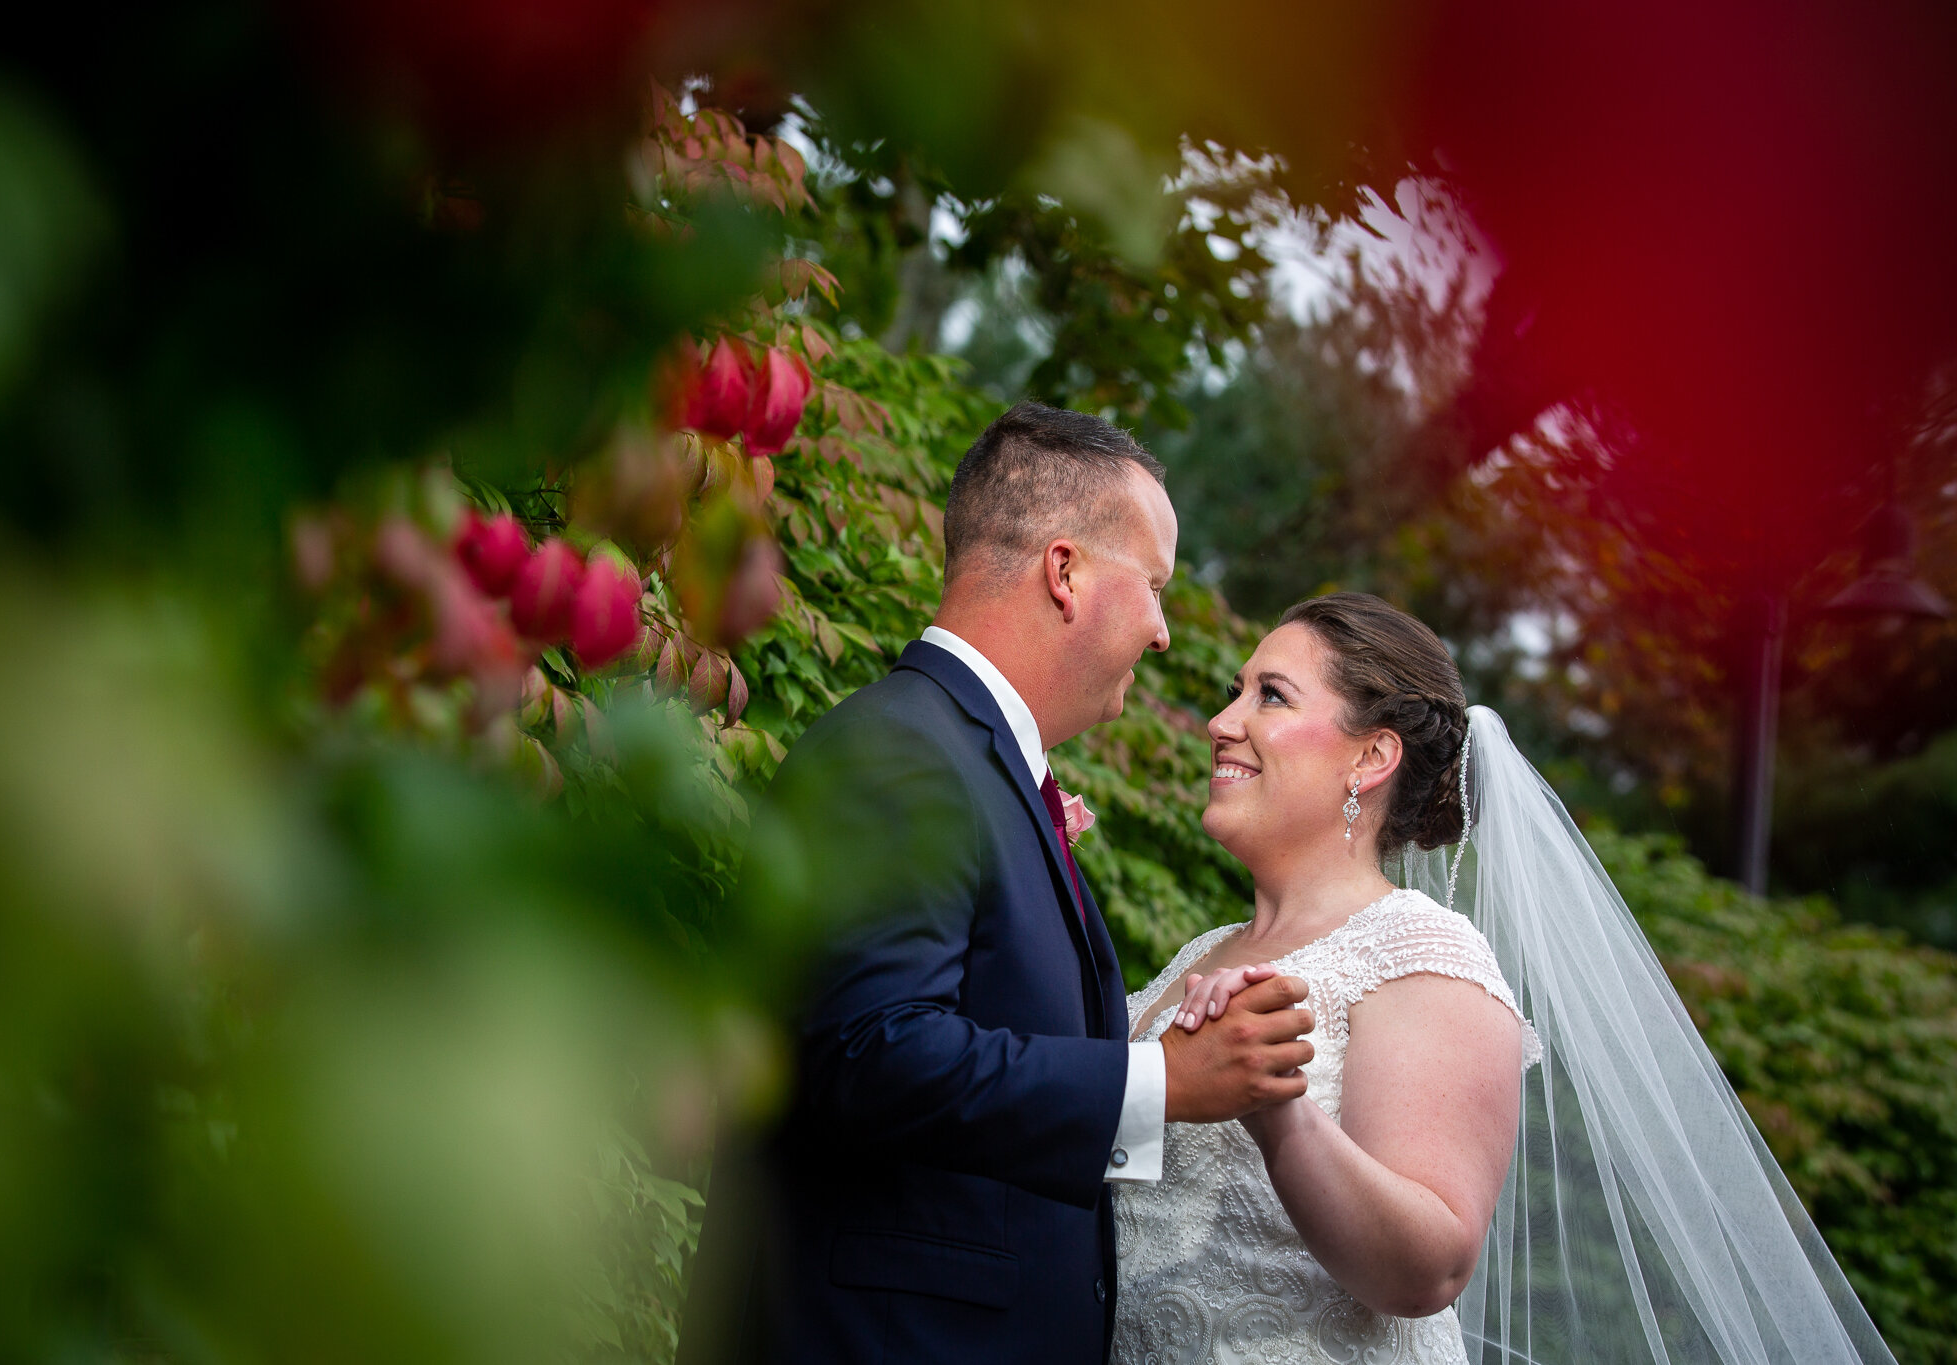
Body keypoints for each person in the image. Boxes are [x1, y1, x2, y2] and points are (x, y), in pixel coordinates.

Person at [678, 403, 1317, 1365]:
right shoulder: (901, 753)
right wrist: (1161, 1084)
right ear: (1065, 573)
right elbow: (867, 1051)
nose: (1162, 634)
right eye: (1153, 586)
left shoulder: (962, 761)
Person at [1111, 592, 1895, 1365]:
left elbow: (1432, 1264)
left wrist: (1279, 1113)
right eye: (1234, 692)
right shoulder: (1199, 953)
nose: (1223, 721)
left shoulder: (1422, 953)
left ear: (1372, 756)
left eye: (1270, 695)